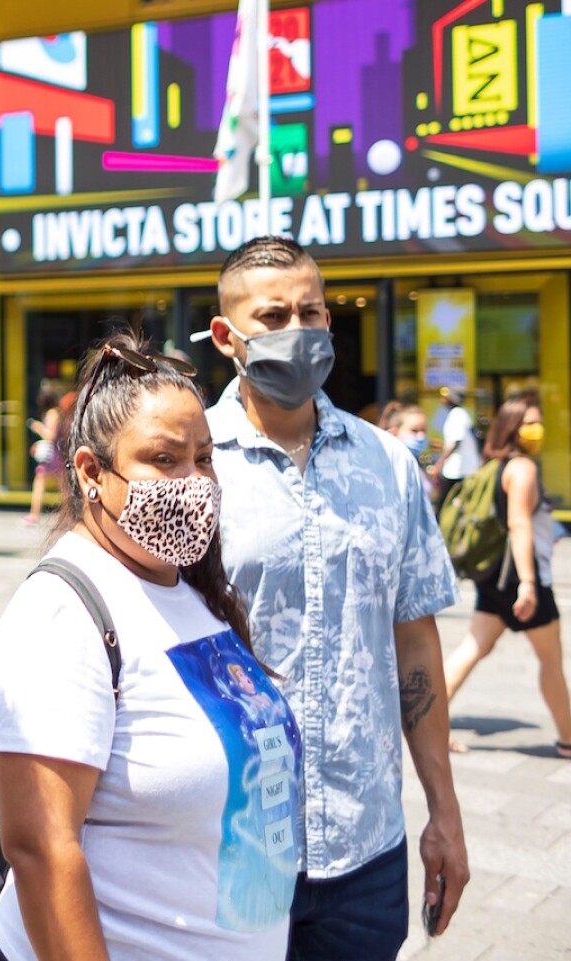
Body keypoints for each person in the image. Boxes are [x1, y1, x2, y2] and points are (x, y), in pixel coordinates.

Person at [0, 332, 301, 961]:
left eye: (203, 458)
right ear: (91, 472)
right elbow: (41, 847)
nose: (194, 481)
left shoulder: (187, 584)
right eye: (164, 459)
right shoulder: (61, 614)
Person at [203, 236, 469, 960]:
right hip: (230, 850)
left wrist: (444, 810)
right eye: (274, 314)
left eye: (311, 311)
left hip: (365, 851)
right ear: (228, 336)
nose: (298, 329)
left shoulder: (389, 463)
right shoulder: (192, 468)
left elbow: (415, 638)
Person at [442, 396, 571, 758]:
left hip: (495, 576)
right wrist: (529, 582)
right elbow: (518, 522)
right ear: (512, 427)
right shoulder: (523, 468)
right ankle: (567, 739)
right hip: (520, 578)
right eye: (530, 422)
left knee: (473, 648)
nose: (537, 429)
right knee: (551, 661)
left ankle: (431, 727)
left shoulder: (494, 465)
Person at [429, 387, 481, 514]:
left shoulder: (457, 414)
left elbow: (456, 443)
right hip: (460, 468)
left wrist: (439, 464)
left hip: (458, 470)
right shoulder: (459, 414)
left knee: (443, 505)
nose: (443, 400)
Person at [379, 400, 436, 503]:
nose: (421, 436)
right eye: (414, 430)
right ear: (393, 432)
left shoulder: (414, 463)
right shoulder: (387, 468)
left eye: (424, 430)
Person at [22, 385, 62, 527]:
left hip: (51, 455)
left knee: (40, 483)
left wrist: (39, 428)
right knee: (63, 485)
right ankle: (72, 512)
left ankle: (34, 514)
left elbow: (50, 436)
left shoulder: (52, 414)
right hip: (57, 454)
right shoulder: (57, 412)